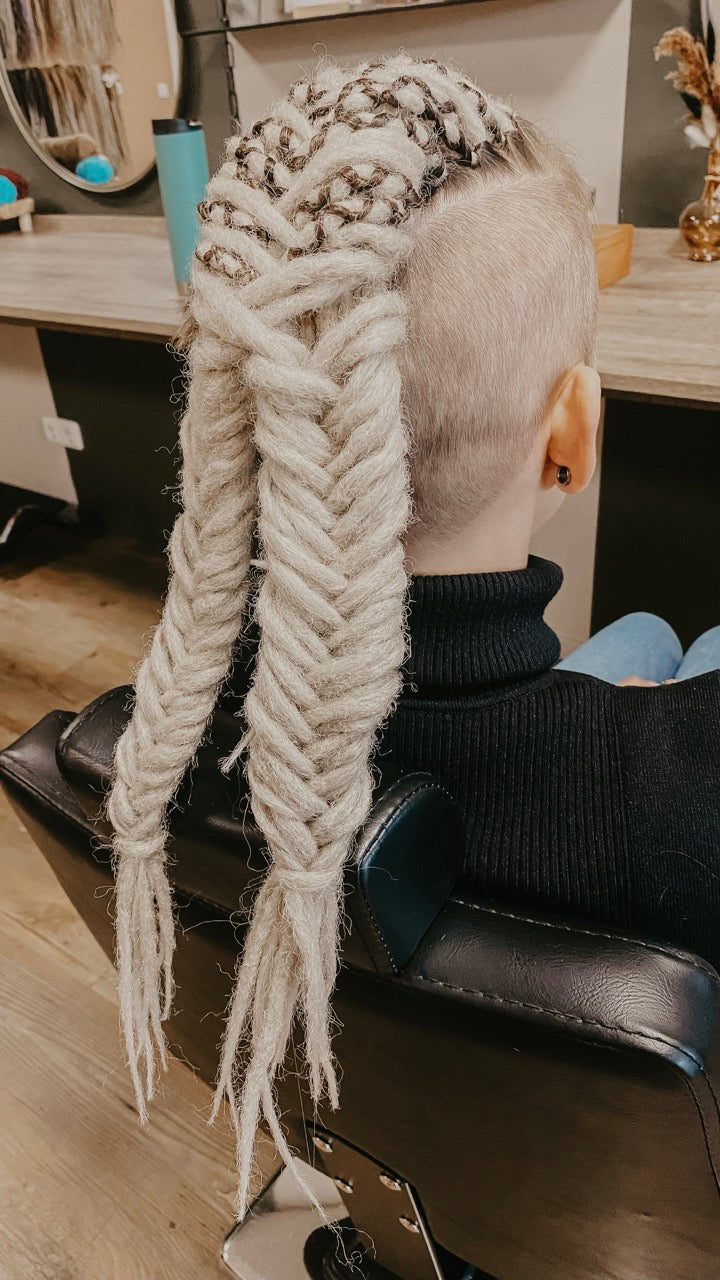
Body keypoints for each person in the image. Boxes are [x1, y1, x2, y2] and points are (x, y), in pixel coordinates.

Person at [106, 55, 720, 1207]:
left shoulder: (173, 721)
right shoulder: (678, 801)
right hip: (589, 1164)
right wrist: (643, 741)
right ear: (572, 433)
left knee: (635, 632)